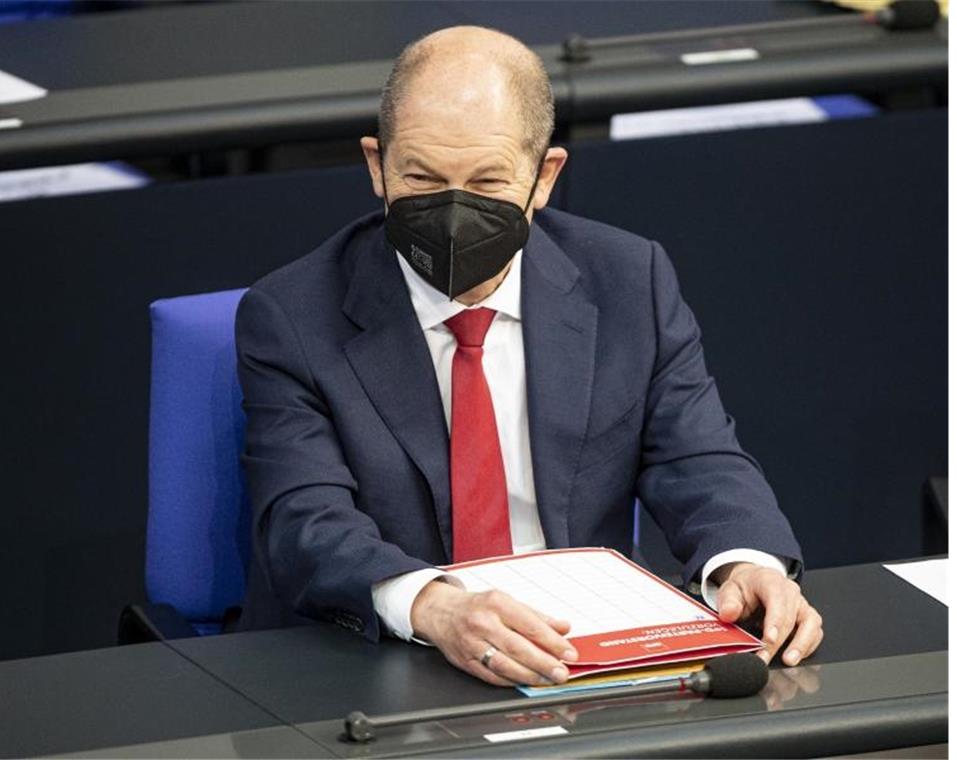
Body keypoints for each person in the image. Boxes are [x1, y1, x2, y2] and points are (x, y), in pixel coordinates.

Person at [233, 25, 823, 687]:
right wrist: (436, 606)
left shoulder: (628, 280)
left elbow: (698, 459)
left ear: (545, 176)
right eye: (422, 178)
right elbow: (304, 523)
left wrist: (746, 562)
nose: (454, 213)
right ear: (376, 166)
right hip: (379, 660)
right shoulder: (292, 315)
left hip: (577, 656)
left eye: (488, 181)